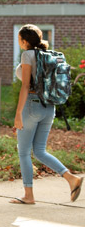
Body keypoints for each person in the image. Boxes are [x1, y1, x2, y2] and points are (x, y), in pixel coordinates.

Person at [11, 24, 83, 205]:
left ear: (25, 41)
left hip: (32, 106)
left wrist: (18, 113)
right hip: (49, 108)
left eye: (19, 39)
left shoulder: (28, 55)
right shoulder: (48, 55)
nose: (19, 42)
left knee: (24, 152)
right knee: (40, 151)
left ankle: (29, 195)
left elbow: (26, 86)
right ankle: (71, 178)